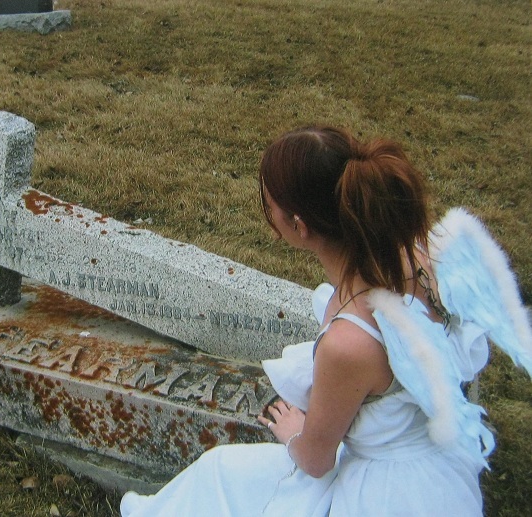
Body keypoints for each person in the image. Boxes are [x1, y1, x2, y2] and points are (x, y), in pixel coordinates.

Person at [120, 126, 532, 516]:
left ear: (298, 226)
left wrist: (297, 433)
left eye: (269, 206)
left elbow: (316, 460)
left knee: (220, 475)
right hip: (442, 470)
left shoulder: (349, 342)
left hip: (389, 494)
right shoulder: (420, 255)